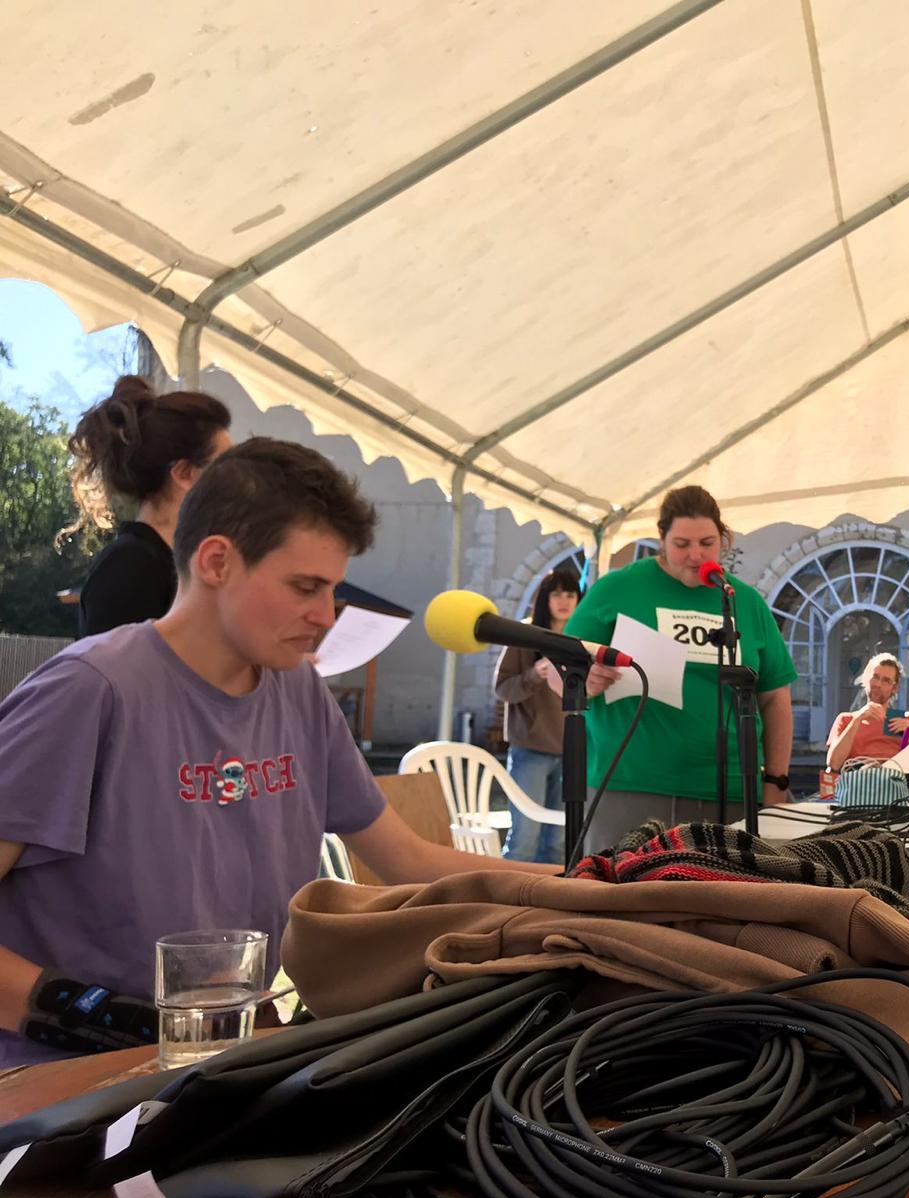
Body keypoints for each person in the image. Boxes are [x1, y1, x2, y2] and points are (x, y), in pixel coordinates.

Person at [0, 438, 558, 1068]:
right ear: (216, 561)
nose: (326, 615)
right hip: (61, 1082)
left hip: (220, 1064)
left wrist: (598, 887)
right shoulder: (89, 690)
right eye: (305, 587)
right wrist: (82, 1012)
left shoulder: (297, 689)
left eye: (332, 589)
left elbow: (406, 859)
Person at [561, 486, 797, 852]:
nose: (695, 555)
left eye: (706, 542)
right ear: (661, 540)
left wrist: (777, 781)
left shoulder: (743, 600)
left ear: (723, 539)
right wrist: (583, 678)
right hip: (630, 784)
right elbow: (556, 665)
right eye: (681, 544)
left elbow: (775, 697)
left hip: (731, 789)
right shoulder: (618, 588)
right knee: (619, 899)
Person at [67, 375, 233, 636]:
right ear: (185, 473)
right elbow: (120, 675)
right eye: (225, 465)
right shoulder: (130, 567)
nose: (236, 477)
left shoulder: (177, 561)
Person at [493, 566, 583, 863]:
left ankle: (550, 904)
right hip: (530, 751)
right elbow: (503, 689)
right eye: (556, 593)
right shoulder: (525, 634)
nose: (564, 601)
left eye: (570, 594)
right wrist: (533, 674)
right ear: (545, 598)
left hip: (572, 750)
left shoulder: (582, 638)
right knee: (523, 839)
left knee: (559, 841)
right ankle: (509, 903)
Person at [825, 653, 909, 771]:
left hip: (897, 782)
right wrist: (857, 720)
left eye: (886, 681)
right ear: (866, 679)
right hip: (858, 782)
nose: (878, 684)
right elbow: (834, 764)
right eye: (875, 677)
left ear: (895, 688)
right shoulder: (846, 719)